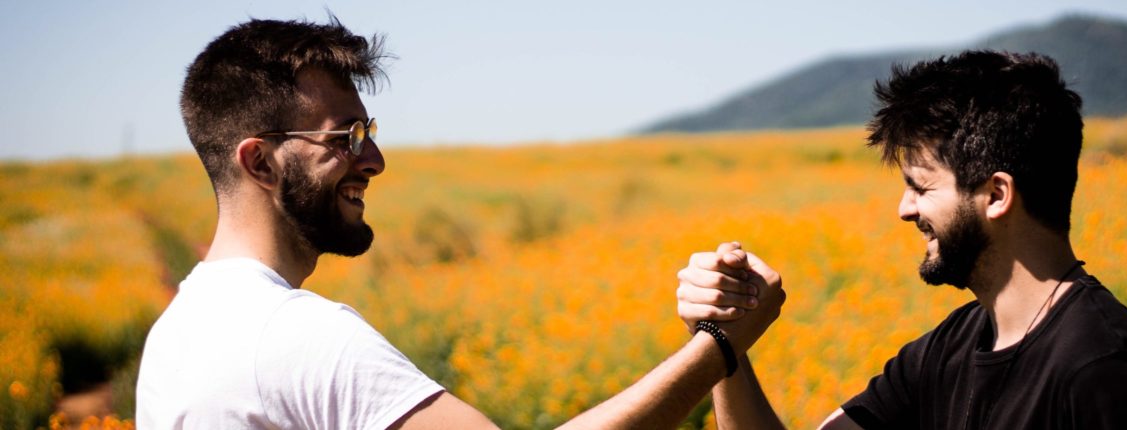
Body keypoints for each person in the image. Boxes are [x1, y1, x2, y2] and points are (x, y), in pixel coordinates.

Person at [135, 17, 785, 429]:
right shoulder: (299, 338)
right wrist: (719, 349)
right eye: (344, 138)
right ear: (261, 162)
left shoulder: (177, 332)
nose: (375, 160)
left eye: (371, 133)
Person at [677, 51, 1127, 429]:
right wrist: (725, 342)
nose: (904, 210)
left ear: (996, 195)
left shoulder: (1104, 376)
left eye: (920, 188)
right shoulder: (954, 345)